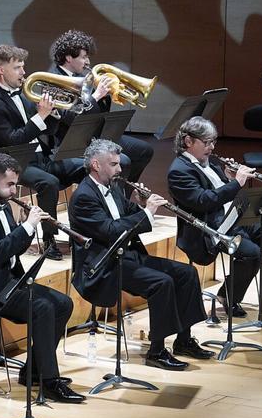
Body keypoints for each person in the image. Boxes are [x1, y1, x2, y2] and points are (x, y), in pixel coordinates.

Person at [0, 152, 84, 403]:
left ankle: (33, 370)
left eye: (16, 184)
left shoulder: (1, 204)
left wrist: (24, 227)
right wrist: (28, 227)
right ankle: (49, 381)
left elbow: (12, 249)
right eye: (10, 184)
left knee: (63, 304)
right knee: (43, 307)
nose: (15, 190)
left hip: (8, 282)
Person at [69, 139, 208, 368]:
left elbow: (129, 211)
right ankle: (156, 351)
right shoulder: (83, 196)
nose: (120, 169)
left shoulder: (112, 187)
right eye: (114, 164)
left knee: (186, 273)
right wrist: (148, 213)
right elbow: (111, 231)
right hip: (104, 266)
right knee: (161, 283)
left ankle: (183, 340)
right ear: (96, 165)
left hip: (127, 256)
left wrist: (144, 204)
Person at [166, 117, 262, 314]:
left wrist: (228, 177)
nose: (212, 147)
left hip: (233, 219)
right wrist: (236, 183)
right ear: (188, 141)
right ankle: (229, 296)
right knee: (251, 252)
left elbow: (219, 189)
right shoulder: (179, 171)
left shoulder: (208, 162)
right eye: (207, 142)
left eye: (214, 141)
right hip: (211, 230)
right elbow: (204, 201)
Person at [0, 44, 86, 261]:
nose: (23, 72)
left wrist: (52, 115)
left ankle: (82, 230)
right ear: (1, 70)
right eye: (18, 67)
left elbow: (46, 132)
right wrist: (40, 117)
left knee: (87, 167)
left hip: (42, 156)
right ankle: (49, 240)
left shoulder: (27, 95)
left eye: (23, 67)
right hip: (14, 163)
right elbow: (13, 141)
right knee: (49, 183)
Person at [49, 29, 154, 183]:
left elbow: (99, 115)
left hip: (95, 135)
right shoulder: (54, 81)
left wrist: (106, 96)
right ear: (69, 58)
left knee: (145, 150)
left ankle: (122, 195)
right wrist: (96, 96)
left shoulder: (83, 77)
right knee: (122, 161)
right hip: (73, 142)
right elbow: (70, 119)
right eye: (84, 57)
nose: (88, 62)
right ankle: (110, 198)